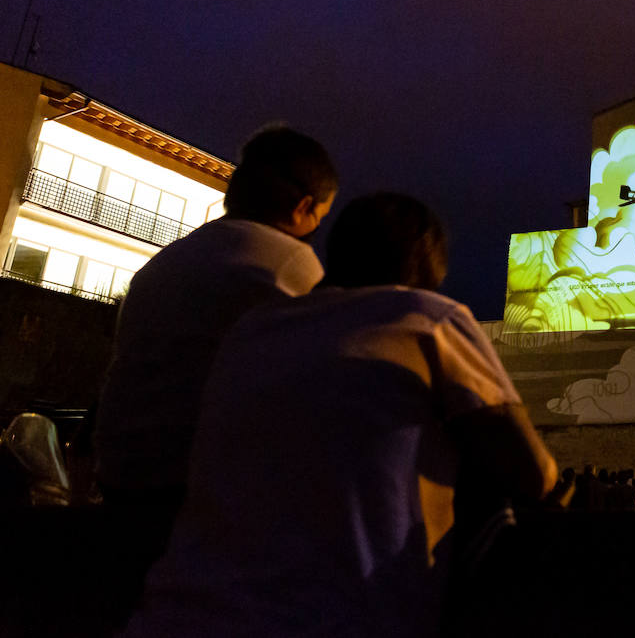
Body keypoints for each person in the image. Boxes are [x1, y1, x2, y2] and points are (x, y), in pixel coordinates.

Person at [124, 192, 557, 637]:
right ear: (428, 271)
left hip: (172, 615)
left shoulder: (252, 330)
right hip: (339, 620)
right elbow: (535, 474)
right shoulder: (429, 318)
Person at [94, 126, 338, 511]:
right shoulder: (288, 263)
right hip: (199, 493)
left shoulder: (168, 260)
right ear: (302, 207)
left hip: (120, 478)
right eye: (320, 216)